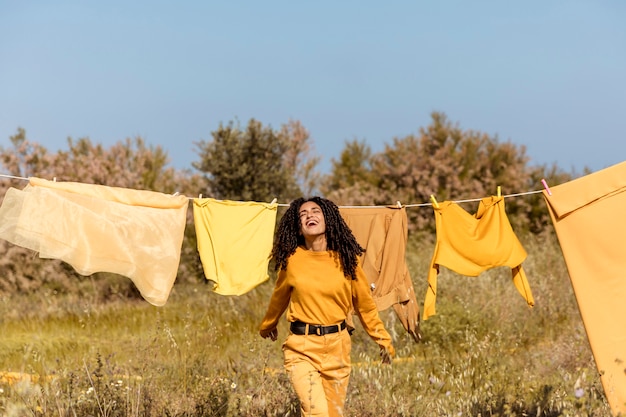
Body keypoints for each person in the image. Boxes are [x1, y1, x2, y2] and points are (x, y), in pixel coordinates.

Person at [259, 196, 396, 417]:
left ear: (328, 220)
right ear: (298, 227)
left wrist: (382, 339)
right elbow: (279, 297)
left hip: (338, 347)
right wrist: (267, 325)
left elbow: (365, 306)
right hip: (301, 347)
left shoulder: (347, 260)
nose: (309, 216)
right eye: (302, 214)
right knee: (317, 412)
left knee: (334, 414)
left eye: (315, 211)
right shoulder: (292, 260)